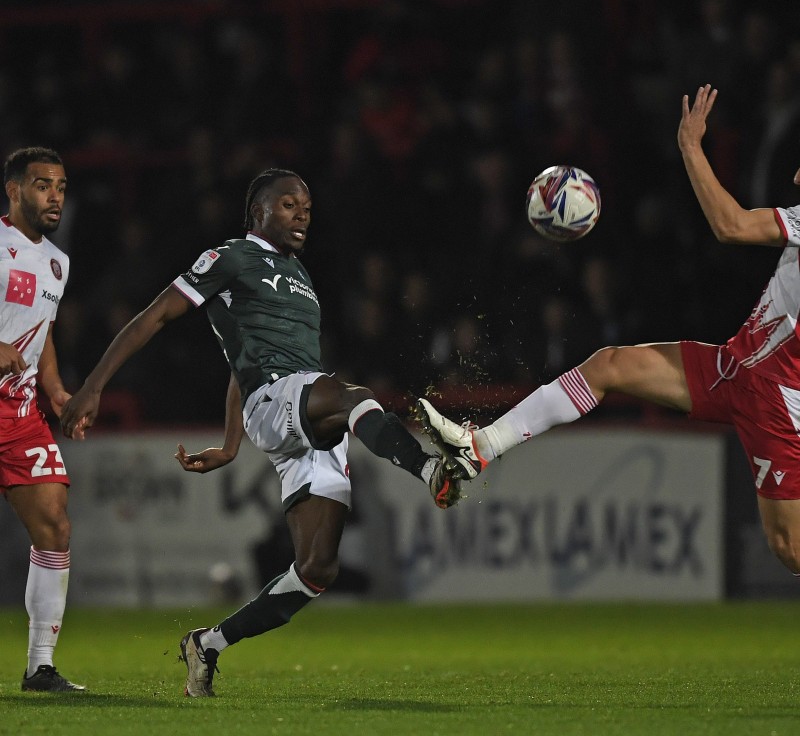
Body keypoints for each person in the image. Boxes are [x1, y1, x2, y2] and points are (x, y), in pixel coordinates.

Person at [60, 168, 460, 697]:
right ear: (258, 213)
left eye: (308, 208)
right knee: (356, 397)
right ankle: (431, 467)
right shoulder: (230, 258)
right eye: (289, 204)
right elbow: (156, 316)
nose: (301, 214)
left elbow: (237, 361)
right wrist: (93, 386)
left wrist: (230, 445)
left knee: (317, 570)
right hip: (278, 401)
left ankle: (208, 644)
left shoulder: (301, 275)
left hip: (300, 417)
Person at [418, 84, 800, 578]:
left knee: (790, 548)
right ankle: (481, 447)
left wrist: (690, 147)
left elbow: (730, 226)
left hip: (776, 397)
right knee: (608, 366)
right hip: (734, 368)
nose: (794, 172)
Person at [1, 147, 85, 692]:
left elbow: (44, 330)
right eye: (40, 184)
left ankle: (40, 666)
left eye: (59, 185)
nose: (53, 195)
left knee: (54, 522)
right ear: (13, 190)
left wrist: (53, 388)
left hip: (20, 410)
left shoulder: (58, 260)